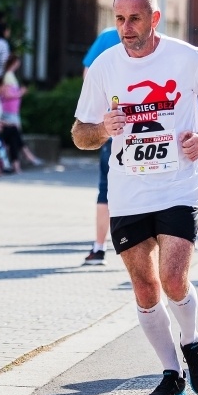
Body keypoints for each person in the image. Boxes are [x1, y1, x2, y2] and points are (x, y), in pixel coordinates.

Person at [71, 0, 198, 395]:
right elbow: (80, 134)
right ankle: (171, 373)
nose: (126, 28)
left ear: (154, 19)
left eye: (135, 19)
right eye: (120, 19)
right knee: (145, 287)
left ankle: (193, 342)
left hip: (178, 184)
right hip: (128, 191)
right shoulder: (105, 67)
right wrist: (104, 129)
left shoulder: (185, 57)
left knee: (174, 278)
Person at [81, 27, 121, 266]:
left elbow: (88, 73)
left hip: (112, 123)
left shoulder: (108, 36)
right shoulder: (154, 35)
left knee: (106, 187)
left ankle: (99, 247)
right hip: (148, 126)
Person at [1, 54, 43, 167]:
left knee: (14, 135)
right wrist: (20, 93)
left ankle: (16, 161)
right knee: (15, 134)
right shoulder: (8, 76)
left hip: (12, 111)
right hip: (10, 111)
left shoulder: (9, 76)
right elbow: (7, 94)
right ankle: (25, 157)